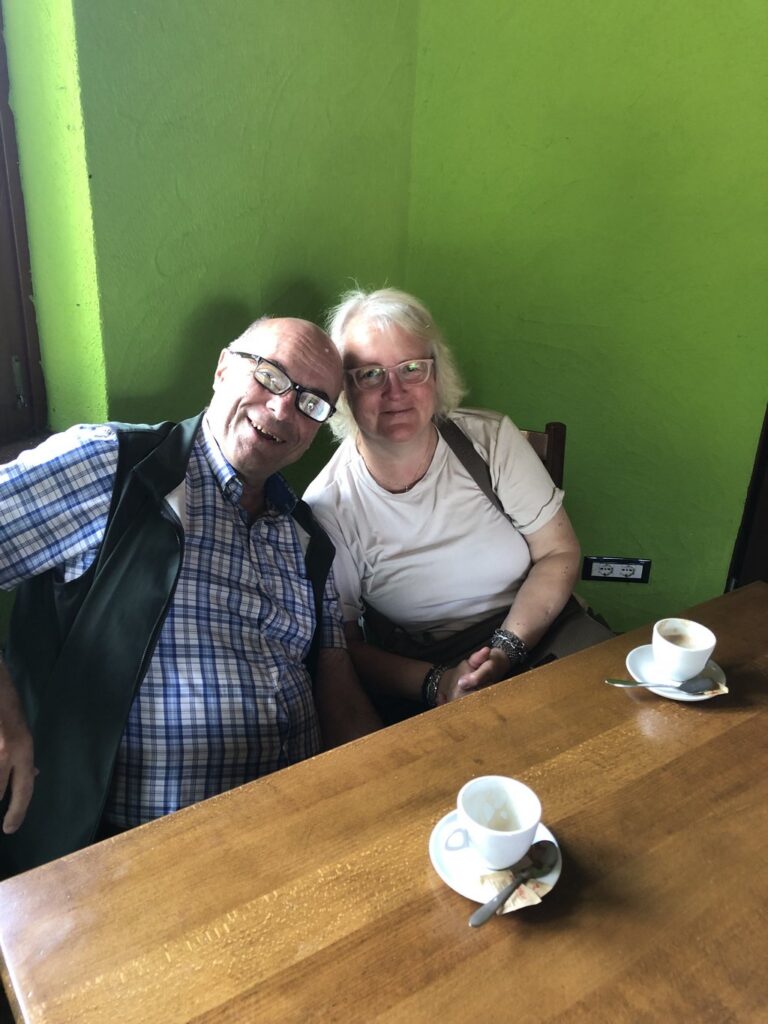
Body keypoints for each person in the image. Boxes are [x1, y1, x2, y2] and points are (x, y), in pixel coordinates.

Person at [0, 316, 381, 875]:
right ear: (223, 368)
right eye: (271, 376)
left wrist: (391, 789)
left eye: (311, 403)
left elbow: (336, 683)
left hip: (299, 833)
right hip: (131, 857)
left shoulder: (307, 535)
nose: (283, 409)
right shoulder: (114, 467)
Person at [304, 288, 612, 719]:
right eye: (370, 374)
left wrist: (504, 651)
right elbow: (343, 645)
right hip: (427, 670)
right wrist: (440, 683)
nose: (395, 391)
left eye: (412, 368)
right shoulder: (328, 505)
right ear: (343, 390)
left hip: (542, 630)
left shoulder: (490, 440)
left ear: (436, 374)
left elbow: (558, 552)